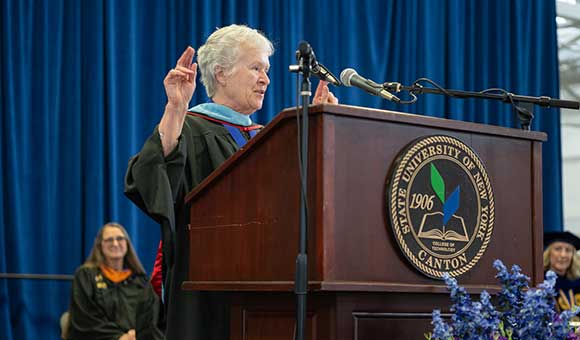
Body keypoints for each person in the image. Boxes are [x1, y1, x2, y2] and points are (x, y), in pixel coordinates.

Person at [124, 24, 338, 339]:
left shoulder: (269, 137)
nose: (265, 78)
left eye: (266, 70)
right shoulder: (192, 128)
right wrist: (175, 109)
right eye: (255, 68)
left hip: (269, 293)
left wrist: (321, 130)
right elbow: (149, 180)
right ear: (221, 74)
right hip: (209, 298)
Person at [66, 222, 163, 340]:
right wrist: (118, 337)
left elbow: (151, 315)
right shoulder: (86, 276)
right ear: (100, 245)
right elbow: (84, 317)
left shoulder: (140, 281)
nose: (115, 243)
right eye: (109, 240)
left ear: (127, 243)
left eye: (120, 239)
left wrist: (136, 334)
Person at [543, 230, 580, 312]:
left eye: (568, 250)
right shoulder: (541, 284)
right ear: (548, 253)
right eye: (558, 249)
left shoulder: (577, 284)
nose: (563, 255)